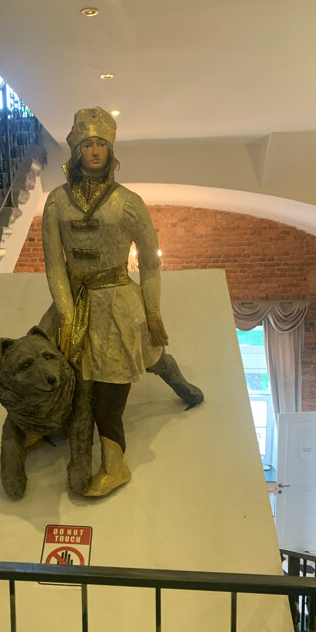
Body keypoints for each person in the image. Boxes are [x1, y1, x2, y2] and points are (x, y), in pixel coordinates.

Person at [42, 107, 203, 498]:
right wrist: (65, 313)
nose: (95, 150)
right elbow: (54, 265)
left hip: (118, 305)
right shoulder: (57, 202)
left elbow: (150, 263)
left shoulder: (128, 202)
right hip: (75, 302)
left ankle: (117, 465)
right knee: (64, 374)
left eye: (102, 143)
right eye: (87, 144)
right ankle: (42, 427)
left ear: (111, 149)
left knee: (141, 367)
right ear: (76, 150)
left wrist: (152, 311)